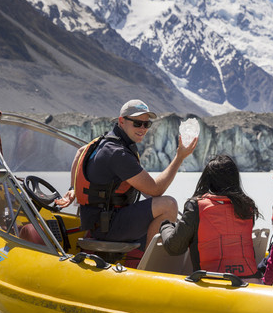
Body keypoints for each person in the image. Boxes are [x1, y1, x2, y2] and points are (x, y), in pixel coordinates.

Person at [56, 99, 197, 252]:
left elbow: (80, 152)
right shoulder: (118, 153)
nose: (142, 128)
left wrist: (73, 187)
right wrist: (179, 158)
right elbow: (155, 190)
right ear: (122, 121)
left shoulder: (107, 142)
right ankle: (148, 268)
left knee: (156, 208)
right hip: (107, 226)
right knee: (168, 205)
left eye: (146, 124)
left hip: (99, 221)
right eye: (137, 123)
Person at [159, 155, 261, 282]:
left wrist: (166, 225)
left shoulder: (196, 206)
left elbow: (174, 247)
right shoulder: (247, 207)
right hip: (252, 281)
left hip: (213, 282)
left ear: (206, 179)